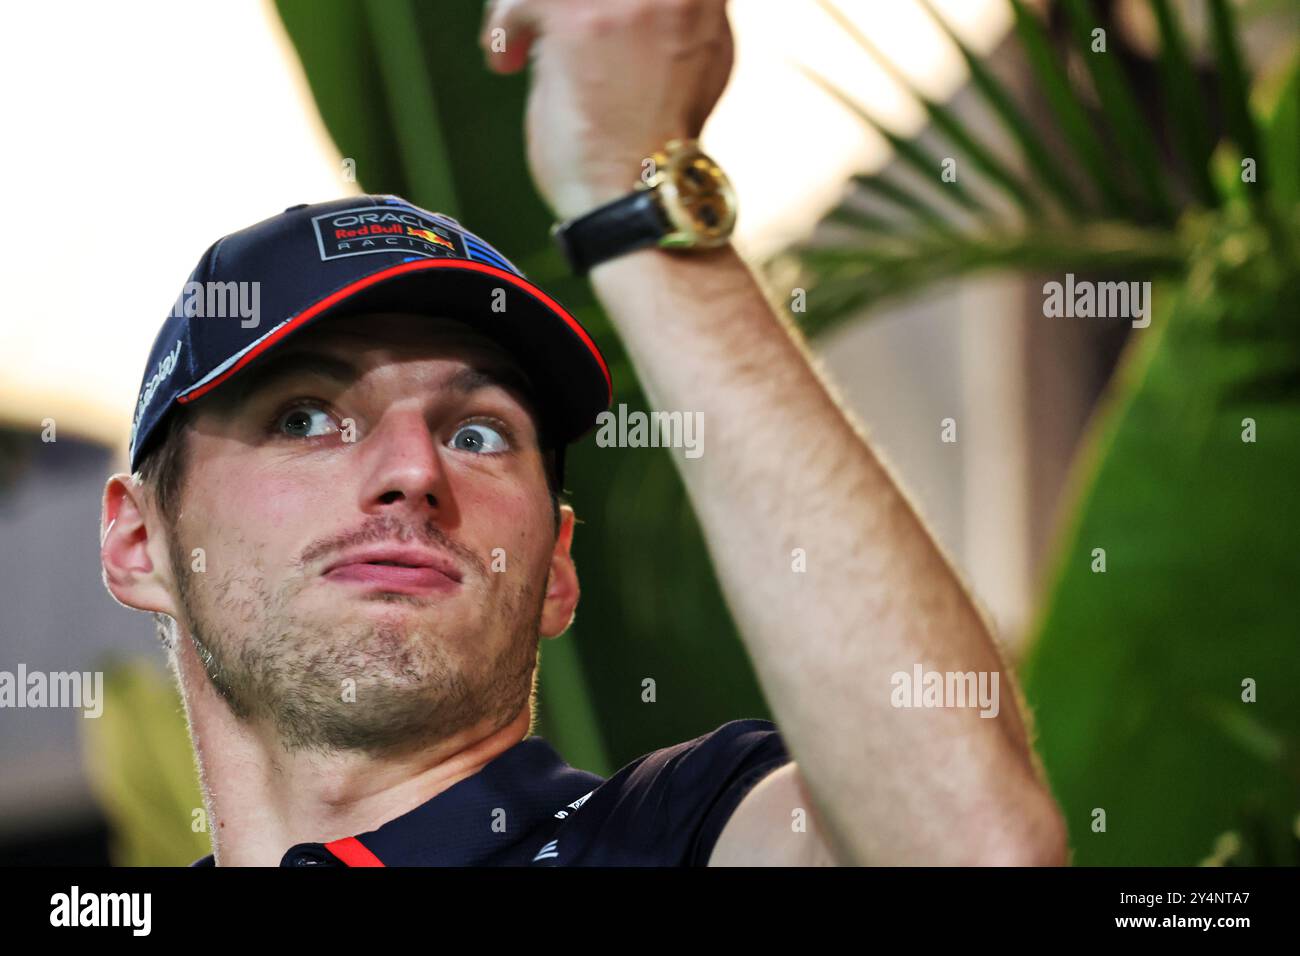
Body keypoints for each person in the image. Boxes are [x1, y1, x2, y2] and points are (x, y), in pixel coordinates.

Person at [99, 0, 1067, 866]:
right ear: (140, 540)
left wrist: (627, 190)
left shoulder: (676, 833)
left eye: (478, 432)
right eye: (305, 418)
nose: (410, 470)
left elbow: (971, 844)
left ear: (558, 566)